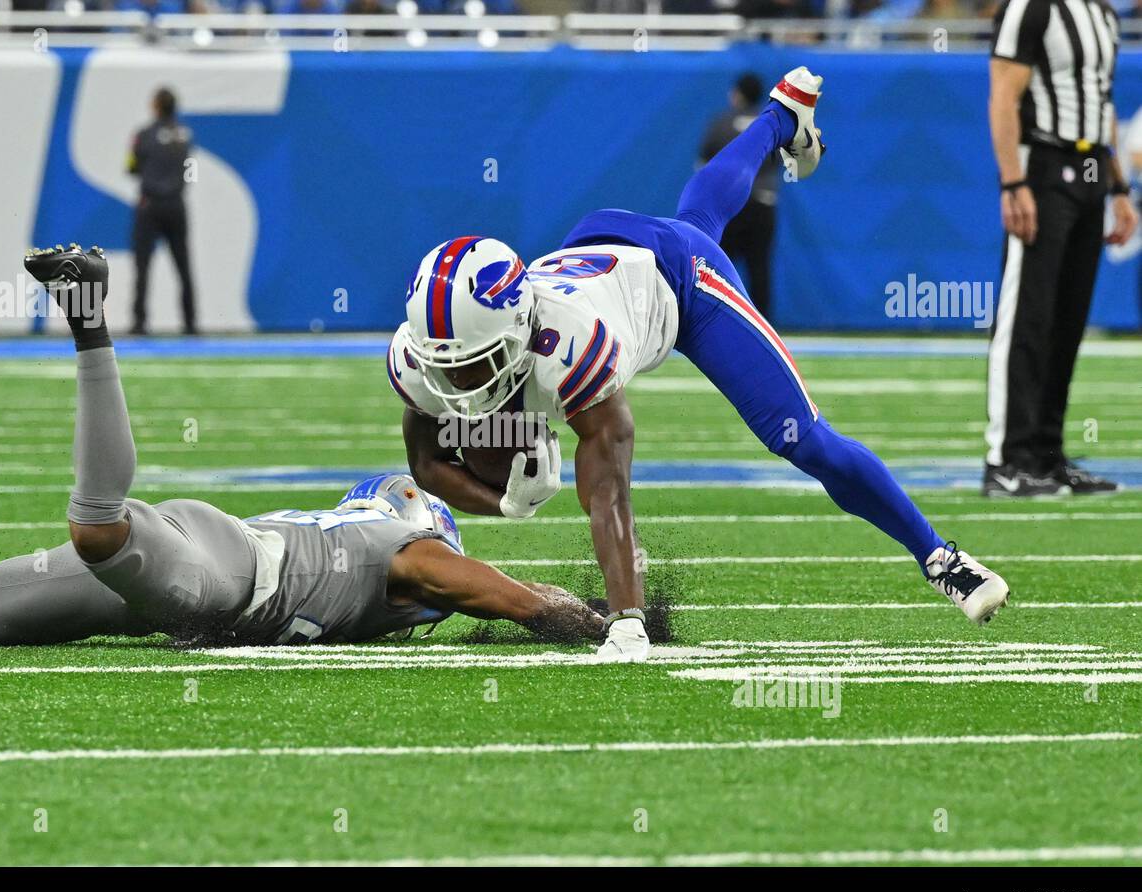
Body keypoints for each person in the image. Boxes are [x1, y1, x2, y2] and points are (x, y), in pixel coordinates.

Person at [387, 67, 1011, 664]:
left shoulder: (568, 344)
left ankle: (941, 558)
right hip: (597, 244)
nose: (461, 385)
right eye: (452, 368)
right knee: (698, 215)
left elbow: (608, 485)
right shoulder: (428, 353)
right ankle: (778, 119)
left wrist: (628, 617)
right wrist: (502, 505)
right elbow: (425, 462)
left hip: (681, 284)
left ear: (519, 329)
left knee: (801, 439)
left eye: (476, 365)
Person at [0, 246, 603, 649]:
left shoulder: (378, 538)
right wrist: (601, 618)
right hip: (226, 577)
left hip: (187, 572)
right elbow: (496, 592)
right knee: (98, 527)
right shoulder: (407, 550)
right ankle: (88, 319)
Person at [984, 0, 1136, 496]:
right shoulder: (1031, 7)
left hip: (1091, 168)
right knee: (1027, 316)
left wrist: (1118, 189)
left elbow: (1102, 102)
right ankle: (1006, 458)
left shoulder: (1103, 14)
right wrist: (1013, 182)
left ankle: (1047, 457)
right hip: (1043, 163)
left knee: (1067, 321)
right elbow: (1003, 94)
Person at [698, 72, 779, 317]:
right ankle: (763, 327)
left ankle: (717, 322)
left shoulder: (722, 123)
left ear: (738, 94)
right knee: (759, 269)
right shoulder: (769, 125)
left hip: (729, 205)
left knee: (720, 269)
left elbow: (703, 167)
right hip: (763, 203)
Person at [128, 88, 198, 335]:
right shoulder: (185, 135)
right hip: (176, 204)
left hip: (150, 205)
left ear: (156, 106)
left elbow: (132, 167)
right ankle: (190, 322)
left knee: (143, 265)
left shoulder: (144, 135)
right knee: (183, 265)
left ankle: (139, 321)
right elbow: (190, 170)